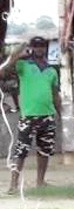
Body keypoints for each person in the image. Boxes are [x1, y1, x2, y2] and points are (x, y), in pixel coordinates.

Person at [1, 36, 60, 193]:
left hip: (47, 115)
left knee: (44, 151)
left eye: (42, 46)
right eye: (36, 46)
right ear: (32, 47)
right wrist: (17, 54)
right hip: (28, 116)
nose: (39, 49)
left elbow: (55, 95)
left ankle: (40, 182)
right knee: (21, 150)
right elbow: (3, 72)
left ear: (46, 48)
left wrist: (60, 113)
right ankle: (13, 184)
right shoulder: (23, 65)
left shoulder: (51, 70)